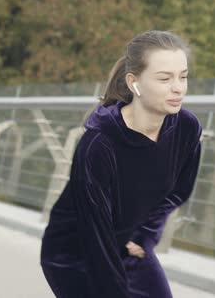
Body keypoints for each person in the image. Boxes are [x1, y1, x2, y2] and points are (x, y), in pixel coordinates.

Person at [39, 30, 203, 298]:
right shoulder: (99, 144)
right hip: (77, 253)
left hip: (128, 243)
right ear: (134, 82)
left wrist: (144, 234)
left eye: (183, 77)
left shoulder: (187, 128)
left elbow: (178, 191)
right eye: (165, 78)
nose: (178, 88)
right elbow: (95, 235)